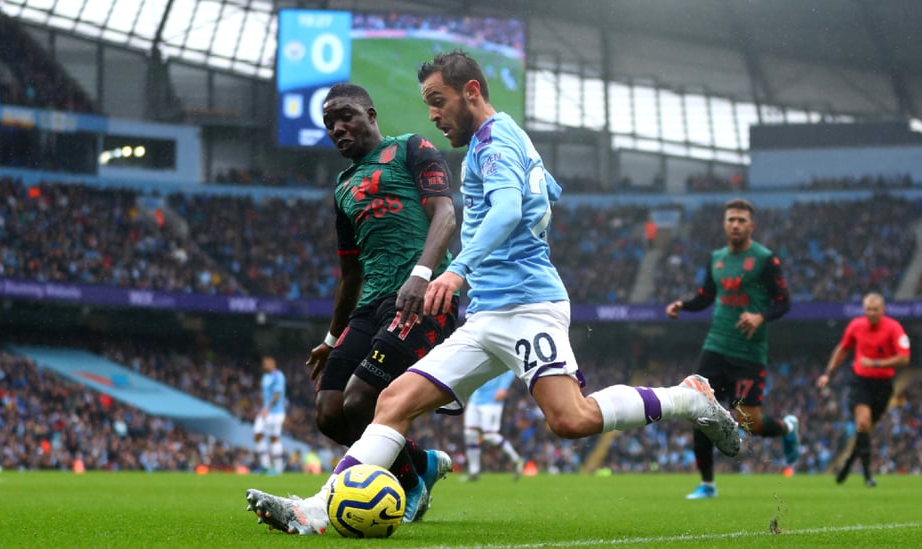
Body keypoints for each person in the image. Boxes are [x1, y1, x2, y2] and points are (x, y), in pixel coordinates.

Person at [244, 50, 740, 535]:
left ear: (471, 91)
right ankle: (316, 510)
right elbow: (545, 190)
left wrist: (455, 272)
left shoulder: (493, 141)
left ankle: (688, 398)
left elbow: (504, 212)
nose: (434, 115)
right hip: (487, 315)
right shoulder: (508, 141)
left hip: (527, 306)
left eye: (438, 101)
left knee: (570, 419)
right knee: (392, 400)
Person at [302, 83, 458, 522]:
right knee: (330, 413)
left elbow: (445, 214)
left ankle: (411, 486)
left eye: (345, 115)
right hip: (370, 305)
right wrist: (332, 337)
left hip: (423, 297)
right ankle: (421, 465)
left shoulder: (412, 148)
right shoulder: (343, 186)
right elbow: (350, 272)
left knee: (359, 401)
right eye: (330, 122)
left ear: (370, 114)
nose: (337, 127)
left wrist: (420, 276)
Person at [665, 198, 796, 500]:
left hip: (749, 352)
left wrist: (760, 316)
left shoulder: (765, 259)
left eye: (741, 220)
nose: (735, 224)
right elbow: (706, 295)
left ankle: (788, 428)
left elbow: (784, 301)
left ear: (752, 225)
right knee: (698, 408)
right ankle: (708, 484)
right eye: (731, 219)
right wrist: (683, 305)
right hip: (715, 345)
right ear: (724, 224)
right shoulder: (717, 258)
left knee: (749, 423)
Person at [815, 292, 910, 487]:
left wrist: (875, 363)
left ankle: (849, 462)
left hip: (884, 385)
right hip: (860, 382)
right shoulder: (856, 326)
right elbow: (842, 349)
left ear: (883, 310)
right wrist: (828, 373)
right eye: (868, 309)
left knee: (864, 430)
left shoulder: (894, 328)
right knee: (863, 423)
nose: (871, 313)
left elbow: (904, 358)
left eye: (875, 309)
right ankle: (868, 475)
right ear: (864, 309)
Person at [462, 370, 525, 481]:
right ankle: (474, 472)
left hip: (492, 400)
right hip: (475, 399)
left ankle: (516, 459)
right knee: (470, 434)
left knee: (489, 435)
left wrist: (503, 388)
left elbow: (509, 370)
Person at [253, 355, 286, 475]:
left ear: (273, 364)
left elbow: (277, 394)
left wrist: (268, 408)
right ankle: (265, 465)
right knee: (257, 434)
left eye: (266, 363)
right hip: (265, 411)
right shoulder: (265, 377)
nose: (264, 365)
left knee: (274, 438)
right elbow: (265, 395)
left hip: (275, 412)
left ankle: (278, 469)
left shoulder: (278, 376)